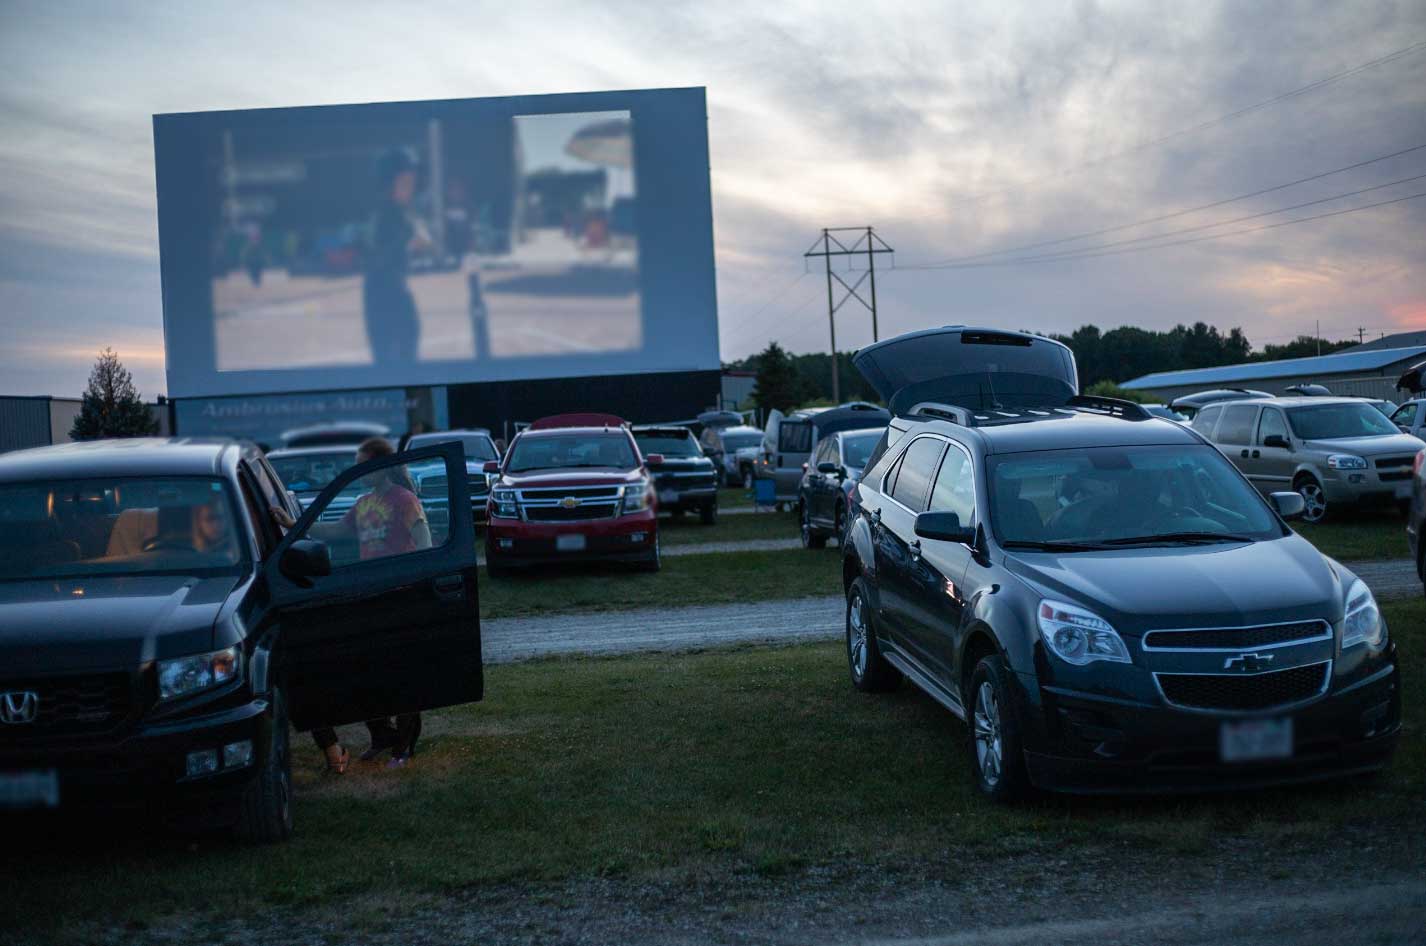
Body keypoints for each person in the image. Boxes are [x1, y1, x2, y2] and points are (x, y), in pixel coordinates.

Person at [271, 436, 430, 772]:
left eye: (363, 464)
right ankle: (382, 736)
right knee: (367, 672)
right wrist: (293, 526)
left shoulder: (405, 500)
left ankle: (404, 747)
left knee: (403, 677)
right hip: (368, 597)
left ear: (379, 466)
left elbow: (423, 539)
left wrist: (423, 578)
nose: (359, 470)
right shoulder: (363, 502)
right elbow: (334, 532)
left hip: (398, 595)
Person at [362, 148, 428, 365]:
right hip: (382, 294)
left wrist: (415, 243)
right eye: (404, 183)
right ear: (388, 184)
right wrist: (407, 241)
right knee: (392, 354)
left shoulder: (401, 212)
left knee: (409, 339)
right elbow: (376, 257)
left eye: (412, 182)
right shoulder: (382, 215)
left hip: (396, 289)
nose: (411, 188)